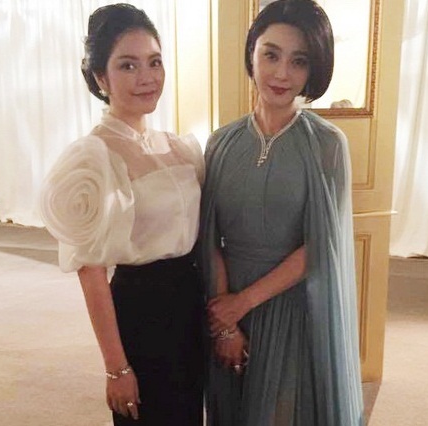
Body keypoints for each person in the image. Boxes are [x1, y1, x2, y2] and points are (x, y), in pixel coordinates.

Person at [199, 0, 364, 425]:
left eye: (299, 61)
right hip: (227, 307)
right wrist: (226, 324)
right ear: (252, 53)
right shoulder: (220, 143)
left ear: (313, 69)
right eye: (271, 55)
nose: (282, 74)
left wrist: (243, 303)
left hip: (292, 311)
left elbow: (319, 246)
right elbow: (209, 238)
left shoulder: (327, 144)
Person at [39, 4, 204, 425]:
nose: (146, 77)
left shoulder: (179, 148)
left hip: (191, 302)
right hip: (141, 309)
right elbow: (91, 271)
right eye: (128, 65)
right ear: (101, 78)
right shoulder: (94, 157)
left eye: (154, 62)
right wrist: (116, 368)